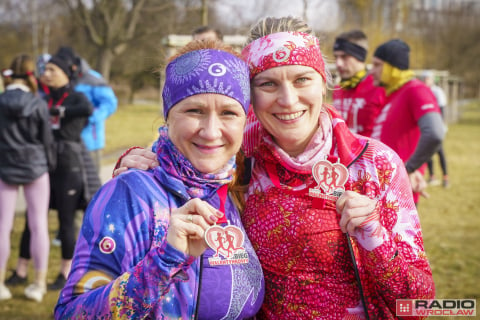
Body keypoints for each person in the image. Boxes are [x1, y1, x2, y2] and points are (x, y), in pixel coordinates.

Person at [114, 16, 435, 319]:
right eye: (267, 84)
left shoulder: (372, 163)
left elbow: (419, 305)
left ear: (322, 83)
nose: (288, 99)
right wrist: (137, 161)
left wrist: (374, 239)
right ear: (249, 94)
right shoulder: (237, 156)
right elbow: (178, 156)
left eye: (302, 80)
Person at [54, 40, 264, 319]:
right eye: (194, 111)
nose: (212, 131)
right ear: (168, 116)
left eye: (228, 113)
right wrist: (163, 262)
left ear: (244, 120)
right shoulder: (129, 193)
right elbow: (70, 314)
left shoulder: (242, 188)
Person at [0, 54, 55, 302]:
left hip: (4, 167)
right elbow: (47, 140)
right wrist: (49, 165)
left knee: (3, 226)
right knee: (39, 225)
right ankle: (39, 284)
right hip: (36, 167)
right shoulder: (38, 104)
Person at [41, 52, 95, 290]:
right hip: (45, 163)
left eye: (53, 69)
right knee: (37, 219)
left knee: (66, 220)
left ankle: (66, 273)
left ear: (65, 73)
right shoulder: (43, 97)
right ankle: (22, 269)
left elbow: (87, 108)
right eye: (46, 69)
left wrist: (58, 112)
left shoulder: (76, 97)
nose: (46, 73)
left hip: (70, 165)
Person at [370, 39, 445, 203]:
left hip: (399, 197)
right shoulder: (393, 94)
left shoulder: (416, 90)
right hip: (380, 192)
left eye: (377, 65)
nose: (372, 71)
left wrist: (408, 169)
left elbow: (435, 133)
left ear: (391, 67)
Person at [55, 46, 118, 172]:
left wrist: (89, 117)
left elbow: (110, 103)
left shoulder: (93, 78)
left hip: (90, 141)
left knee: (91, 183)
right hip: (66, 140)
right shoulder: (63, 78)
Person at [332, 30, 386, 137]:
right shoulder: (338, 89)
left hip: (372, 151)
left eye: (344, 57)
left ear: (359, 56)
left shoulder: (379, 88)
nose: (338, 63)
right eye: (336, 57)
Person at [421, 71, 449, 188]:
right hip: (425, 129)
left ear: (432, 79)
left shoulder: (437, 91)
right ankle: (432, 176)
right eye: (424, 79)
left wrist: (437, 127)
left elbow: (441, 112)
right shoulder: (422, 91)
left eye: (428, 78)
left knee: (440, 152)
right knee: (427, 154)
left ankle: (445, 178)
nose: (426, 81)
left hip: (437, 129)